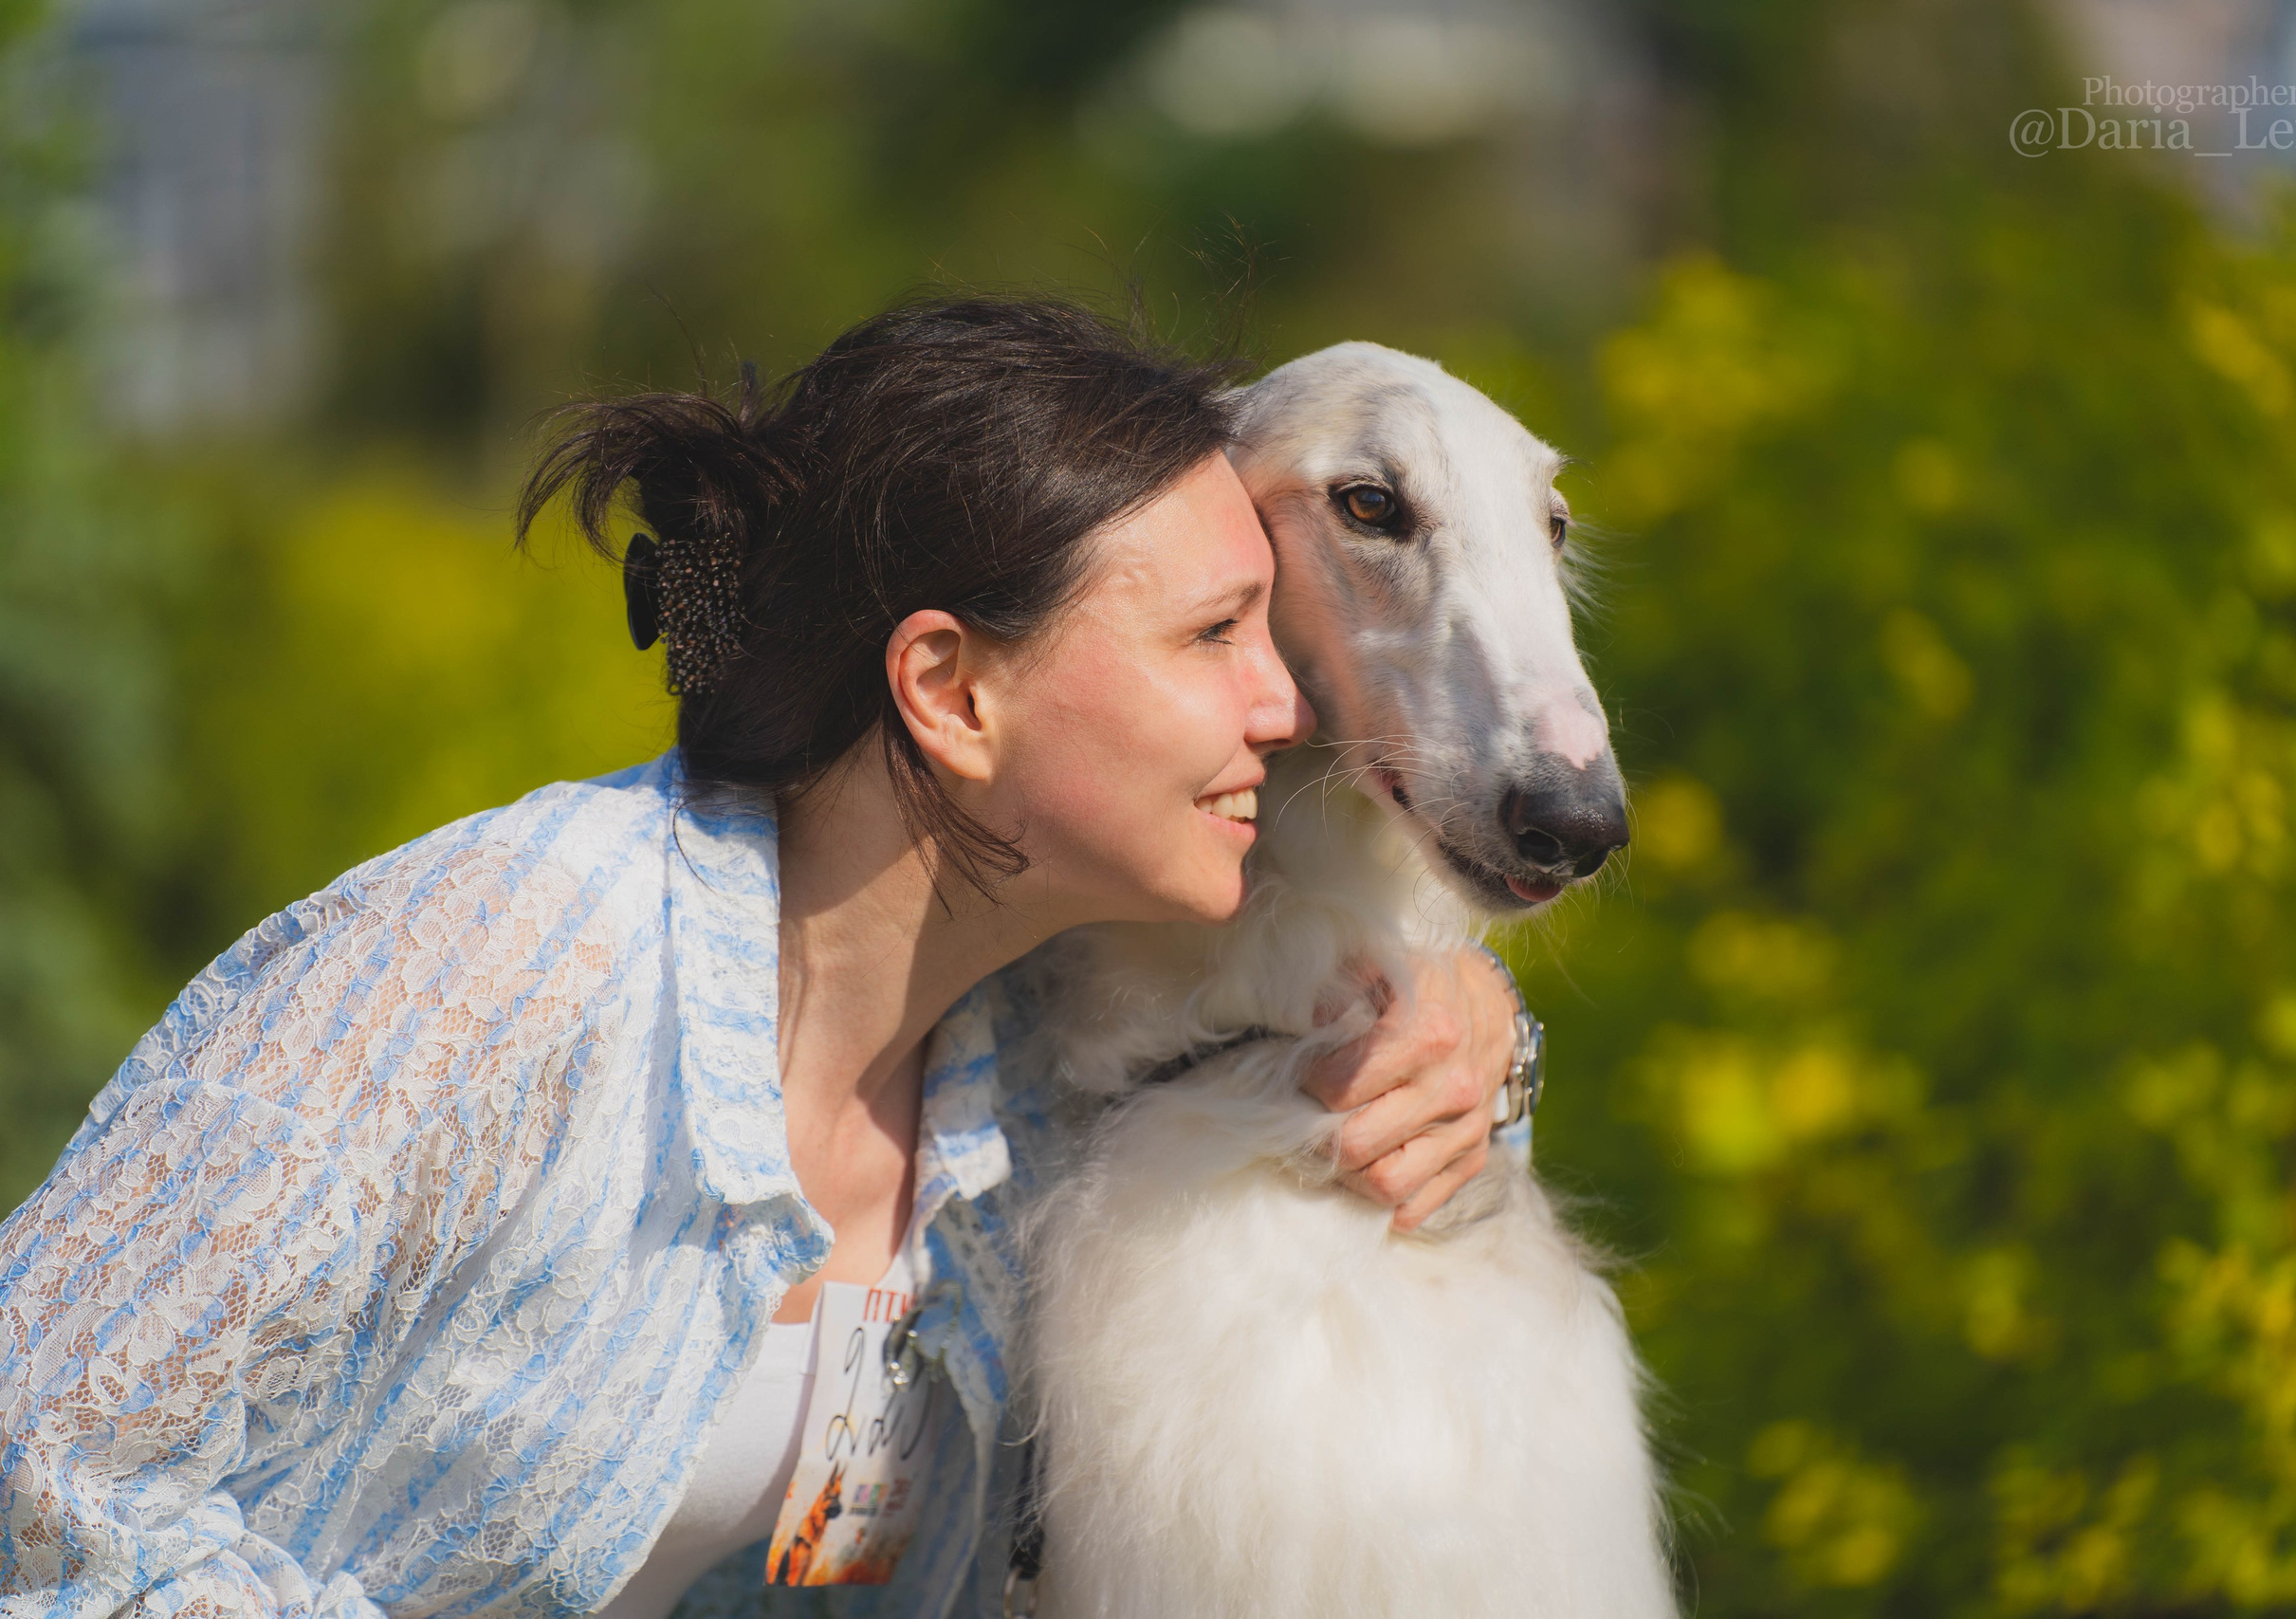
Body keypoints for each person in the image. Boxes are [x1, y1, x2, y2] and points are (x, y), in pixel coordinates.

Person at [0, 300, 1530, 1619]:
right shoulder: (496, 967)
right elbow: (33, 1460)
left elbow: (1340, 1079)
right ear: (950, 688)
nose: (1283, 706)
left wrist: (1480, 1029)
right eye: (1218, 635)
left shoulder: (1033, 1071)